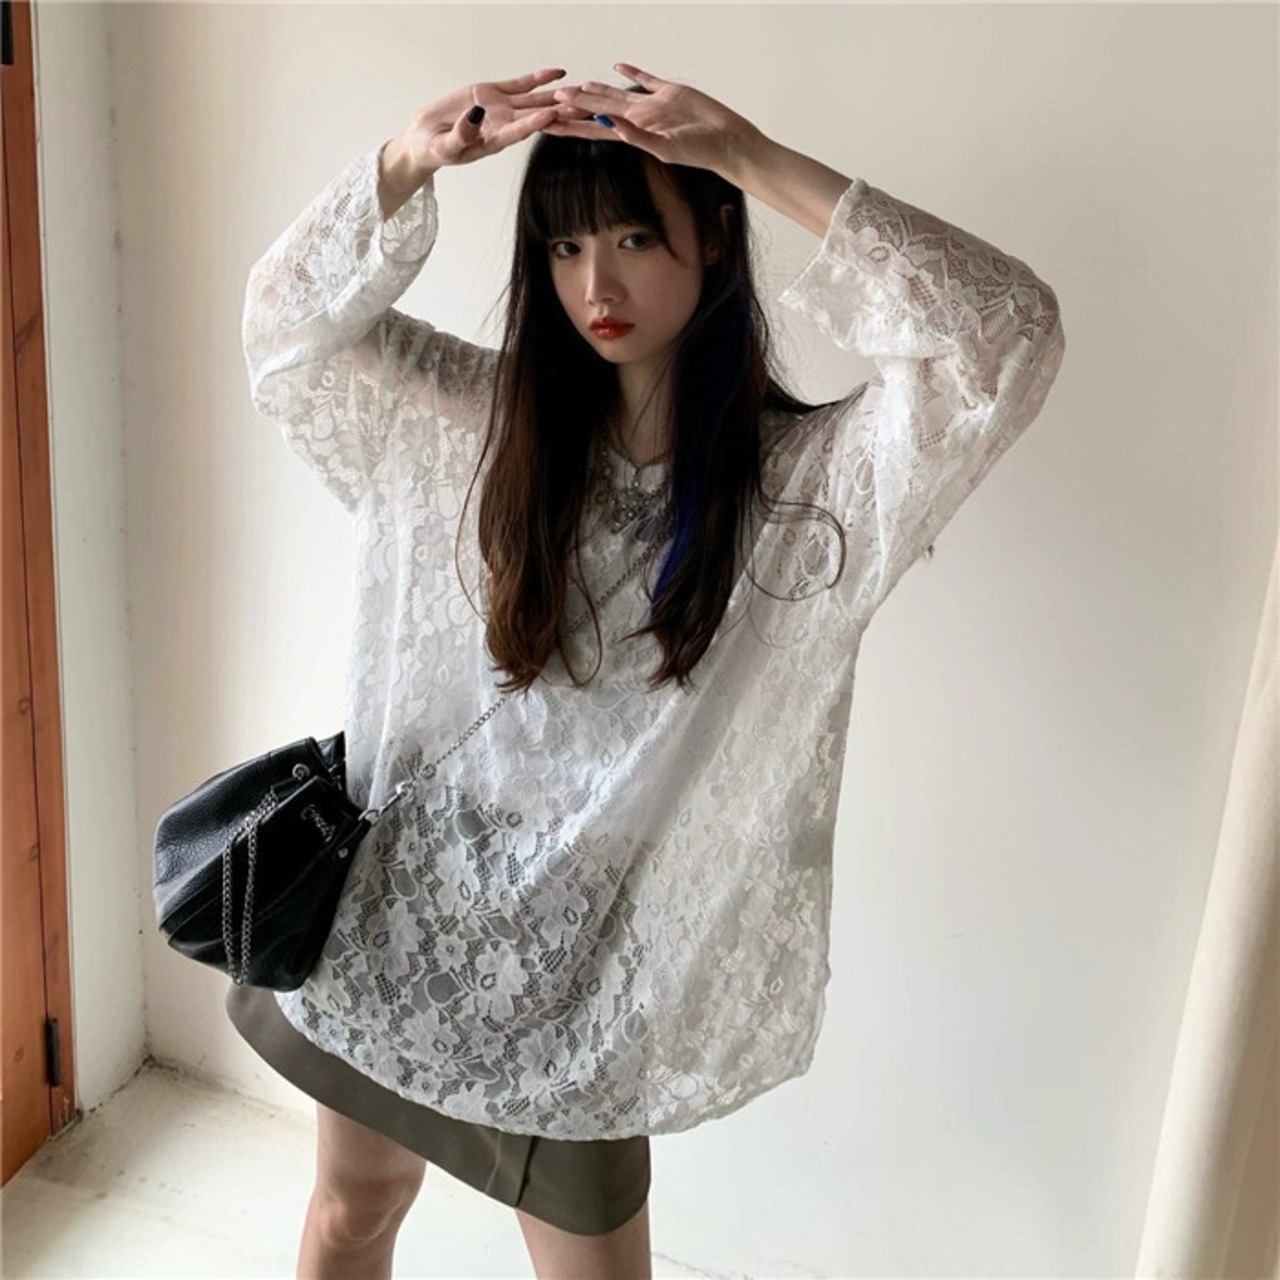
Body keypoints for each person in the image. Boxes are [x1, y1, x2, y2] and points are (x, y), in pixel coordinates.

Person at [228, 63, 1066, 1280]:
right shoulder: (473, 420)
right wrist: (407, 161)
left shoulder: (805, 489)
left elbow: (1004, 335)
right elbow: (286, 329)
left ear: (711, 238)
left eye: (631, 238)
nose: (595, 286)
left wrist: (751, 159)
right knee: (353, 1207)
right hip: (401, 905)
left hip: (583, 969)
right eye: (565, 247)